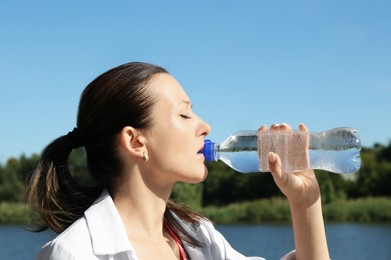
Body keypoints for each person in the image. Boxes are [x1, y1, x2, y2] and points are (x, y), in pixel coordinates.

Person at [26, 62, 330, 260]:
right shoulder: (74, 253)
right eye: (184, 114)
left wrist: (305, 203)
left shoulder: (198, 238)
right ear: (135, 141)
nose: (205, 126)